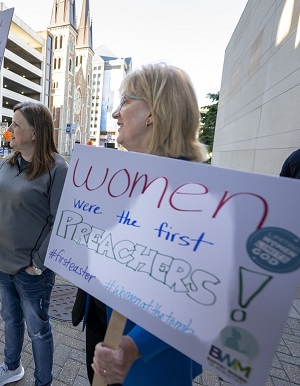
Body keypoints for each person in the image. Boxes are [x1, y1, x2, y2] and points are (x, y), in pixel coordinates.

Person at [83, 63, 207, 386]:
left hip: (149, 361)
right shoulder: (126, 176)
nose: (115, 113)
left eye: (124, 101)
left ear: (152, 112)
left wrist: (134, 347)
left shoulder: (192, 194)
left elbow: (192, 296)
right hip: (107, 331)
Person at [0, 102, 69, 386]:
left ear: (35, 132)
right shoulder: (10, 162)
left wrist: (37, 263)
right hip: (0, 259)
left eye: (16, 124)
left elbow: (61, 222)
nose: (9, 129)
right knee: (10, 318)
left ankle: (42, 382)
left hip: (30, 269)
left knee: (38, 330)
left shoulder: (58, 168)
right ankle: (11, 367)